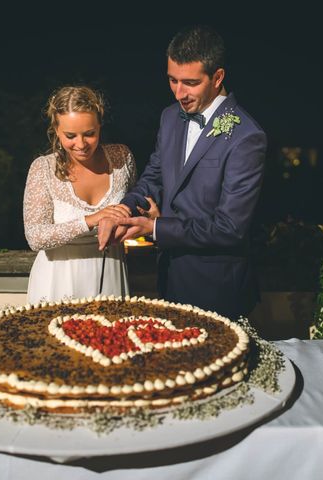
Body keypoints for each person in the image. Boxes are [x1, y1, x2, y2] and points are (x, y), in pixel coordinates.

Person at [98, 25, 267, 320]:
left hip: (217, 287)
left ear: (218, 78)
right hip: (169, 277)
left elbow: (230, 228)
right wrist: (123, 210)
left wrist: (155, 229)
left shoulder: (247, 136)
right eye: (172, 80)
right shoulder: (169, 118)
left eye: (190, 83)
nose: (179, 93)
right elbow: (154, 177)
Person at [24, 85, 153, 304]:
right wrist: (92, 219)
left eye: (89, 134)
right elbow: (35, 237)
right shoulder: (42, 168)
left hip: (111, 271)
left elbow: (133, 208)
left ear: (100, 125)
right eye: (70, 136)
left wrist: (147, 218)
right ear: (56, 130)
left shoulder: (122, 157)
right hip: (58, 279)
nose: (81, 144)